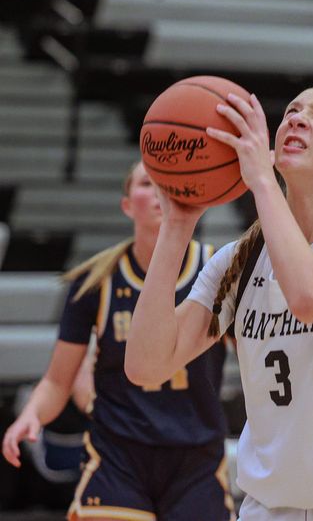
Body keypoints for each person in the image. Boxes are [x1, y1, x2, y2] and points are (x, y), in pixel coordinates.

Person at [124, 86, 313, 520]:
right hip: (270, 508)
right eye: (291, 111)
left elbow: (311, 297)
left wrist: (262, 182)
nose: (298, 119)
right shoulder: (238, 261)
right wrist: (178, 224)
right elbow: (146, 365)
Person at [1, 162, 232, 521]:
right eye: (146, 183)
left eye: (167, 182)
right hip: (119, 454)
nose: (159, 192)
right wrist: (31, 415)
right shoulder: (96, 280)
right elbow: (58, 380)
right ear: (127, 205)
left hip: (195, 456)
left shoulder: (218, 269)